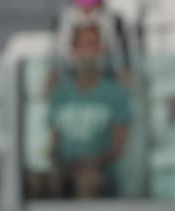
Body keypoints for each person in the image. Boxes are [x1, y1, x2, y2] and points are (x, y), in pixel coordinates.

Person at [45, 23, 131, 199]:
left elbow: (118, 148)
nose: (90, 52)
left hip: (100, 171)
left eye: (94, 45)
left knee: (86, 180)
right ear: (74, 51)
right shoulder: (60, 92)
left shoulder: (116, 93)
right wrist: (57, 164)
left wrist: (93, 163)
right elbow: (53, 142)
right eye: (84, 45)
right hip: (65, 167)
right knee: (37, 181)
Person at [54, 0, 130, 82]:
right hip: (74, 80)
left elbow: (123, 61)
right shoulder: (63, 20)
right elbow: (57, 58)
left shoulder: (113, 20)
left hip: (107, 79)